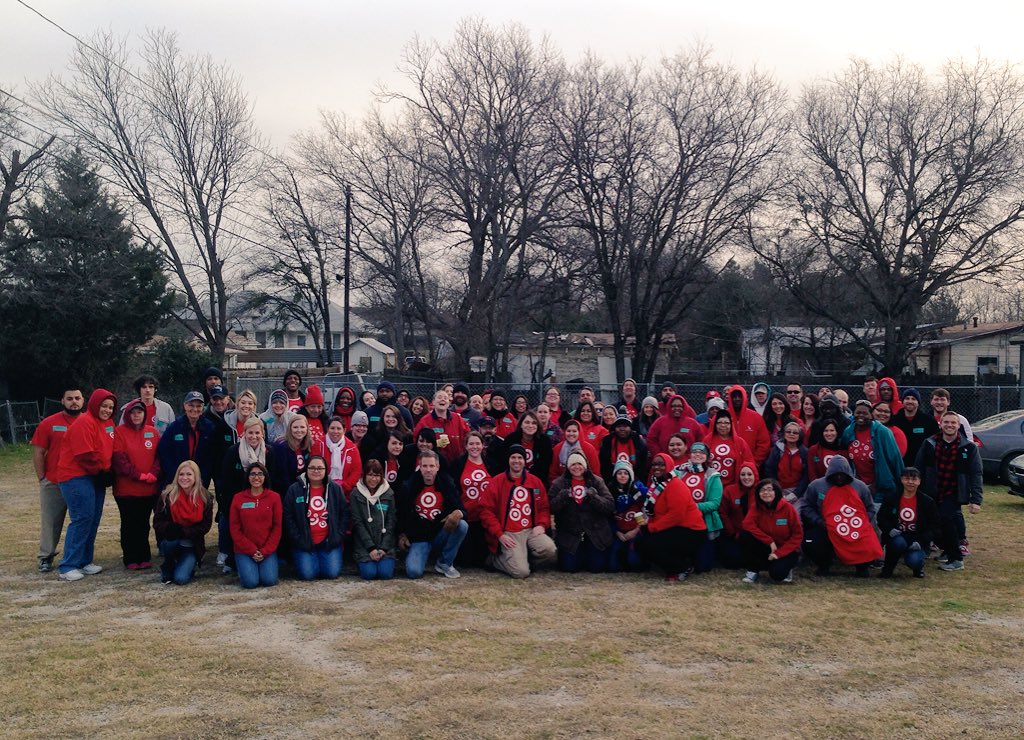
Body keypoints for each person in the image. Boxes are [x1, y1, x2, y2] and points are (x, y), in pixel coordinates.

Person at [54, 388, 117, 582]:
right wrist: (100, 471)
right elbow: (84, 454)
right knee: (82, 518)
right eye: (103, 406)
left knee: (93, 518)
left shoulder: (108, 423)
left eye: (110, 407)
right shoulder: (84, 422)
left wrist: (107, 470)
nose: (106, 410)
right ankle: (68, 564)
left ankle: (84, 560)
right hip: (77, 476)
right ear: (94, 404)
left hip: (96, 475)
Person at [915, 411, 983, 572]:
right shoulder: (929, 444)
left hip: (953, 492)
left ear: (958, 425)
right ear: (941, 424)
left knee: (947, 520)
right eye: (946, 422)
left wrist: (976, 500)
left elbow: (976, 474)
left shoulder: (968, 448)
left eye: (953, 423)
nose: (950, 425)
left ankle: (956, 558)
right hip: (932, 491)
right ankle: (947, 549)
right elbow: (919, 468)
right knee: (934, 525)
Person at [479, 445, 557, 578]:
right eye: (513, 457)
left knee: (550, 550)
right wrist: (499, 534)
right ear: (508, 460)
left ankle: (524, 560)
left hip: (530, 530)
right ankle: (495, 560)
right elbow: (486, 511)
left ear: (525, 461)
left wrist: (541, 525)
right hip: (509, 532)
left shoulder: (535, 481)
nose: (516, 461)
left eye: (520, 457)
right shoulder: (497, 482)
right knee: (521, 573)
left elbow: (544, 507)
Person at [798, 456, 881, 577]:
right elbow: (806, 507)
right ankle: (824, 565)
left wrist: (863, 522)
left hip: (854, 528)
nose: (839, 478)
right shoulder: (816, 485)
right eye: (836, 475)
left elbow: (871, 507)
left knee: (868, 541)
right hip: (826, 527)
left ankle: (862, 566)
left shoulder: (860, 486)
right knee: (811, 541)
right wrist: (819, 521)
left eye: (842, 475)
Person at [31, 387, 84, 572]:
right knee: (51, 521)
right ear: (62, 401)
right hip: (54, 481)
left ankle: (81, 556)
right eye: (69, 398)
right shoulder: (49, 423)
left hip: (80, 481)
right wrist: (42, 478)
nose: (74, 402)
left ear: (83, 400)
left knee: (81, 520)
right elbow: (38, 451)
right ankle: (46, 556)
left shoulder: (88, 422)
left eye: (77, 398)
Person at [637, 452, 707, 582]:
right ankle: (678, 565)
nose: (657, 467)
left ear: (669, 465)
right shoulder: (656, 484)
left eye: (661, 464)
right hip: (675, 527)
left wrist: (652, 528)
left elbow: (676, 516)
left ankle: (680, 567)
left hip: (691, 530)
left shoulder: (675, 485)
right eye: (654, 464)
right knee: (642, 542)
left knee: (649, 543)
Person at [398, 450, 467, 579]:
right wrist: (401, 534)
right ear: (419, 466)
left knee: (462, 525)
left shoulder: (447, 483)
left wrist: (458, 513)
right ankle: (421, 556)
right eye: (424, 466)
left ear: (438, 467)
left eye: (431, 466)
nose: (428, 470)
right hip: (419, 537)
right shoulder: (409, 486)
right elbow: (401, 513)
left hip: (440, 533)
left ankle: (444, 562)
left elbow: (462, 509)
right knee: (414, 572)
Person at [217, 416, 273, 572]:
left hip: (263, 500)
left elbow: (273, 481)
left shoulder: (270, 452)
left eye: (257, 432)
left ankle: (264, 554)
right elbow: (226, 483)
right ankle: (231, 557)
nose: (254, 436)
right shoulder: (233, 452)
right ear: (243, 433)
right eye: (250, 433)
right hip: (238, 500)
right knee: (231, 522)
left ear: (263, 434)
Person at [111, 399, 161, 569]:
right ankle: (130, 557)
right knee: (129, 524)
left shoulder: (152, 432)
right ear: (127, 415)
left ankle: (144, 556)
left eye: (139, 412)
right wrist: (139, 475)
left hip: (148, 489)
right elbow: (120, 460)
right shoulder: (119, 432)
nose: (136, 415)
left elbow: (159, 456)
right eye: (133, 413)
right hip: (126, 490)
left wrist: (154, 473)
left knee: (144, 523)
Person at [283, 454, 349, 580]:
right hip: (304, 541)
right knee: (308, 575)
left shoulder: (335, 489)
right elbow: (288, 516)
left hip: (329, 541)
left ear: (326, 470)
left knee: (331, 573)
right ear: (306, 469)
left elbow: (345, 513)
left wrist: (338, 536)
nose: (316, 471)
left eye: (320, 468)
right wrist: (298, 539)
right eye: (312, 468)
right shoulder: (294, 489)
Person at [548, 452, 615, 572]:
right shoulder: (558, 483)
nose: (576, 467)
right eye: (573, 464)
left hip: (595, 531)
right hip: (570, 533)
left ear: (585, 465)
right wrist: (562, 497)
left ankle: (589, 554)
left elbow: (609, 506)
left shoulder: (597, 481)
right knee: (569, 568)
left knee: (597, 568)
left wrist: (594, 497)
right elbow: (551, 507)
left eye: (579, 463)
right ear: (568, 467)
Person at [153, 460, 213, 585]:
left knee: (181, 579)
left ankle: (187, 564)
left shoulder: (205, 497)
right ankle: (168, 564)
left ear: (195, 476)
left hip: (191, 544)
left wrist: (184, 531)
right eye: (181, 474)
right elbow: (157, 522)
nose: (184, 478)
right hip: (171, 541)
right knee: (171, 541)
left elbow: (205, 526)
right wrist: (169, 527)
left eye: (189, 474)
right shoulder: (167, 495)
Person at [877, 467, 938, 579]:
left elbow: (934, 526)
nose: (910, 482)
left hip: (917, 538)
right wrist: (889, 530)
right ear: (901, 480)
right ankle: (887, 569)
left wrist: (921, 541)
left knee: (914, 560)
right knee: (897, 543)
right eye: (907, 478)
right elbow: (881, 517)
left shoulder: (928, 502)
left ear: (919, 481)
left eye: (914, 479)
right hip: (898, 536)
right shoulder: (891, 498)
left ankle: (918, 568)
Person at [229, 461, 282, 588]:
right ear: (247, 477)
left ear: (265, 477)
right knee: (250, 583)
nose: (256, 477)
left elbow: (277, 527)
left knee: (269, 580)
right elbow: (235, 528)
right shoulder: (238, 498)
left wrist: (265, 551)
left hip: (267, 550)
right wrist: (251, 550)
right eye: (252, 474)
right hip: (244, 550)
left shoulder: (274, 498)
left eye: (260, 474)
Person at [740, 478, 803, 584]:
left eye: (769, 489)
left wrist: (778, 553)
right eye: (762, 490)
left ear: (776, 492)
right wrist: (769, 541)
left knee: (777, 575)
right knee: (746, 535)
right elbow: (747, 524)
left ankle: (786, 569)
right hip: (767, 546)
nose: (766, 493)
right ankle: (753, 570)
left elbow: (797, 535)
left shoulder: (788, 508)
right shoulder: (756, 507)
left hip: (786, 549)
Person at [672, 442, 724, 573]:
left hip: (704, 523)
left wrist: (692, 507)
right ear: (689, 454)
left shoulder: (713, 475)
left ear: (707, 456)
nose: (698, 454)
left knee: (703, 567)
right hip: (682, 521)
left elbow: (714, 503)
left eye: (702, 452)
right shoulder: (678, 471)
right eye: (695, 451)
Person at [840, 400, 905, 503]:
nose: (861, 415)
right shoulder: (848, 432)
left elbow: (895, 459)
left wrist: (901, 486)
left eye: (865, 413)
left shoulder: (883, 432)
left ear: (871, 415)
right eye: (858, 412)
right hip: (856, 487)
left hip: (880, 488)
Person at [452, 430, 500, 567]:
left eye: (477, 443)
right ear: (466, 446)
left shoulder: (491, 464)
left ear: (482, 445)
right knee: (466, 561)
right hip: (467, 517)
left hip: (485, 518)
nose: (474, 447)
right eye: (471, 444)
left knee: (482, 561)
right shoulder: (458, 464)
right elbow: (453, 490)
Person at [350, 460, 398, 580]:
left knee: (385, 574)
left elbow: (391, 522)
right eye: (370, 475)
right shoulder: (355, 494)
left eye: (377, 475)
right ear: (364, 475)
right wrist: (370, 548)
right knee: (369, 574)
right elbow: (358, 523)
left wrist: (383, 548)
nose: (373, 479)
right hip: (364, 545)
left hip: (384, 544)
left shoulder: (389, 493)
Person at [156, 391, 215, 489]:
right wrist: (176, 476)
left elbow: (211, 457)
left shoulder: (209, 428)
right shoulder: (174, 427)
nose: (194, 409)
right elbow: (164, 453)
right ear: (185, 406)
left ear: (203, 407)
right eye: (191, 405)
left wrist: (202, 478)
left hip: (200, 481)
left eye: (198, 406)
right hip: (176, 481)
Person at [271, 414, 327, 495]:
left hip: (303, 488)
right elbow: (282, 476)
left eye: (302, 427)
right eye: (295, 427)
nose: (299, 430)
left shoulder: (309, 445)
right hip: (285, 490)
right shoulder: (281, 446)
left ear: (307, 429)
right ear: (290, 428)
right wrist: (294, 492)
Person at [608, 460, 647, 572]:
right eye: (619, 473)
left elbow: (645, 513)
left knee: (634, 563)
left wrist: (636, 530)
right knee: (613, 567)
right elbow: (609, 515)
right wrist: (617, 532)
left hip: (635, 530)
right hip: (619, 531)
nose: (623, 476)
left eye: (626, 473)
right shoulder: (611, 490)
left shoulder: (638, 490)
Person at [413, 390, 471, 463]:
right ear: (433, 402)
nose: (442, 399)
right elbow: (416, 441)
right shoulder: (425, 421)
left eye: (445, 398)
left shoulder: (458, 419)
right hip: (433, 465)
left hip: (457, 463)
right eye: (439, 397)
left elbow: (468, 436)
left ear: (449, 402)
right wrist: (434, 444)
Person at [719, 461, 757, 569]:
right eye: (743, 474)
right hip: (732, 532)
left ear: (755, 475)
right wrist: (732, 532)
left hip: (753, 534)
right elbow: (723, 513)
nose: (746, 477)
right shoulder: (730, 490)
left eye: (749, 474)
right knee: (732, 562)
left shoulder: (761, 491)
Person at [703, 411, 754, 488]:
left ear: (731, 424)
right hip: (710, 484)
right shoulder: (707, 440)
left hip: (732, 485)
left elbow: (748, 462)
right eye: (719, 423)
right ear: (715, 425)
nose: (723, 425)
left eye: (726, 423)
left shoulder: (740, 442)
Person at [890, 388, 939, 466]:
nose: (910, 401)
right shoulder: (893, 420)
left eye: (913, 399)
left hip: (922, 464)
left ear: (918, 402)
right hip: (899, 463)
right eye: (907, 398)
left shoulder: (929, 421)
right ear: (902, 401)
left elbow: (935, 443)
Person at [762, 422, 809, 503]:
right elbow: (769, 471)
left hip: (798, 493)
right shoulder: (776, 450)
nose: (791, 434)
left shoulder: (805, 453)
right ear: (784, 434)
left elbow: (806, 476)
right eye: (788, 431)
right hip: (778, 489)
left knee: (796, 513)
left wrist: (796, 494)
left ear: (799, 436)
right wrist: (778, 491)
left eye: (795, 432)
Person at [724, 385, 771, 466]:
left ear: (745, 397)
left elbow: (764, 443)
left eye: (740, 396)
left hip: (750, 467)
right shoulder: (722, 417)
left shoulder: (756, 418)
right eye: (734, 397)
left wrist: (754, 462)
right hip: (726, 465)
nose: (737, 399)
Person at [599, 414, 649, 485]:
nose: (622, 429)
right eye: (619, 426)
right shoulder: (607, 442)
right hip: (612, 481)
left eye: (625, 426)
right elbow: (604, 466)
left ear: (630, 428)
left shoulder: (638, 442)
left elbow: (643, 467)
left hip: (635, 481)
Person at [503, 411, 554, 481]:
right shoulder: (510, 439)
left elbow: (545, 466)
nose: (530, 426)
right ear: (521, 424)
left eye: (534, 423)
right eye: (527, 422)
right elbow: (504, 462)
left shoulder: (545, 441)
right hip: (512, 478)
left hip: (537, 479)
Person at [324, 416, 362, 496]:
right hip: (323, 488)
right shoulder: (319, 444)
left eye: (339, 428)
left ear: (344, 430)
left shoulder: (352, 448)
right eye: (332, 428)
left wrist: (343, 486)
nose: (335, 431)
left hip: (345, 492)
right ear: (327, 429)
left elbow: (356, 471)